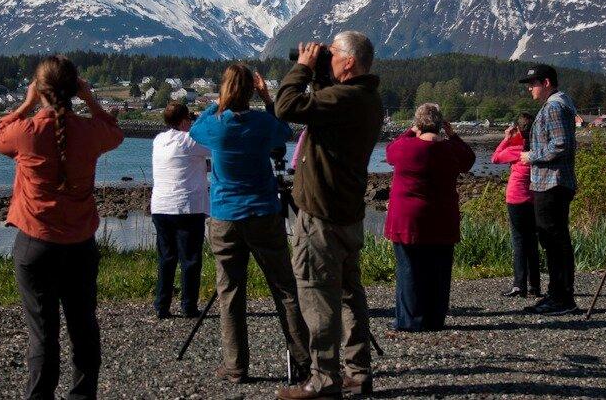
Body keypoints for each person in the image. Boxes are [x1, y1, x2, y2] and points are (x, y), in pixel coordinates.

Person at [0, 55, 124, 400]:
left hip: (35, 243)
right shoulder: (90, 133)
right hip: (80, 244)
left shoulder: (27, 132)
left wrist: (26, 103)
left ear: (41, 89)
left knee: (43, 334)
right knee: (83, 327)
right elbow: (115, 132)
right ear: (74, 89)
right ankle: (82, 395)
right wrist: (90, 99)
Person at [274, 31, 383, 400]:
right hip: (347, 212)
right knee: (350, 294)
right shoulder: (365, 98)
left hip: (320, 216)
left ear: (348, 61)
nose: (326, 56)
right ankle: (358, 371)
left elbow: (286, 106)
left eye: (332, 53)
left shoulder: (343, 98)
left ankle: (324, 378)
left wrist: (303, 68)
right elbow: (322, 105)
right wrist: (322, 71)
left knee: (317, 295)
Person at [189, 64, 310, 384]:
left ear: (226, 91)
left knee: (230, 293)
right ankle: (303, 359)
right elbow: (284, 131)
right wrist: (268, 99)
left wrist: (219, 101)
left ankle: (236, 366)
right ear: (250, 92)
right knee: (284, 288)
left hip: (225, 216)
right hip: (263, 213)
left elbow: (194, 127)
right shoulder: (261, 122)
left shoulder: (215, 125)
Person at [384, 103, 475, 331]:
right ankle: (435, 319)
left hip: (408, 218)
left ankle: (409, 320)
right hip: (442, 217)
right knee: (439, 272)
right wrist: (453, 136)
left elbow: (389, 151)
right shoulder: (450, 150)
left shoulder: (405, 148)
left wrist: (409, 131)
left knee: (409, 270)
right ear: (440, 125)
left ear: (418, 124)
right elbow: (469, 160)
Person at [518, 64, 579, 315]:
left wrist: (531, 156)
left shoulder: (554, 107)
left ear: (546, 83)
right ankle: (557, 294)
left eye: (532, 84)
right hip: (550, 181)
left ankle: (562, 298)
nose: (529, 89)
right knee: (552, 239)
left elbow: (561, 144)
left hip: (552, 182)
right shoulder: (558, 105)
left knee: (554, 240)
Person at [150, 101, 211, 319]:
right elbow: (212, 147)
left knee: (166, 257)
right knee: (190, 258)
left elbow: (186, 163)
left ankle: (162, 304)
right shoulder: (190, 140)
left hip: (161, 205)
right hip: (186, 206)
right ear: (184, 120)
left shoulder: (159, 140)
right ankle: (188, 305)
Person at [491, 112, 540, 299]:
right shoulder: (537, 149)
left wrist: (506, 138)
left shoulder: (516, 149)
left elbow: (495, 158)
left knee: (519, 242)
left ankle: (519, 285)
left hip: (516, 199)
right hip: (534, 198)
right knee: (532, 242)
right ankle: (535, 285)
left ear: (518, 129)